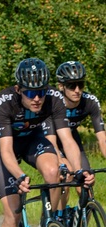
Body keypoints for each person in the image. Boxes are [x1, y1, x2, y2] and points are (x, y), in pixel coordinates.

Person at [0, 57, 94, 227]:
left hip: (32, 140)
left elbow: (67, 140)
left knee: (54, 171)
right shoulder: (5, 103)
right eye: (30, 93)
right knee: (12, 214)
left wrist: (79, 170)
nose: (36, 98)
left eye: (40, 92)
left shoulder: (53, 99)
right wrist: (20, 175)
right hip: (4, 147)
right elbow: (5, 152)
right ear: (19, 90)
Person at [54, 61, 106, 218]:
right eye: (71, 85)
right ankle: (59, 219)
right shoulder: (53, 103)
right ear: (61, 86)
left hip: (72, 141)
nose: (77, 90)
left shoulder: (90, 101)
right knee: (67, 175)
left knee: (86, 182)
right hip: (50, 140)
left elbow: (102, 139)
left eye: (81, 84)